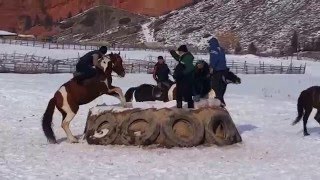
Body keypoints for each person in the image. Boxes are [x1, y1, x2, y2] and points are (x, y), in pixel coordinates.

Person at [208, 37, 228, 105]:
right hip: (224, 69)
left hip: (217, 70)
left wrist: (211, 67)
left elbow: (214, 59)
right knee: (222, 85)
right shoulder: (221, 49)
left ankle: (217, 100)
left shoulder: (213, 49)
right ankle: (221, 100)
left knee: (214, 85)